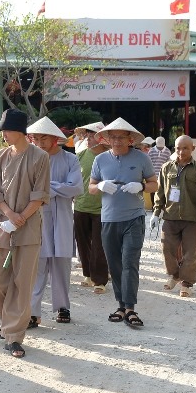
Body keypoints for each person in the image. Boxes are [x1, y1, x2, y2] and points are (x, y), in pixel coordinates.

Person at [0, 109, 50, 358]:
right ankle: (8, 322)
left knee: (22, 283)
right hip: (3, 226)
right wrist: (8, 214)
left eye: (5, 130)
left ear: (18, 131)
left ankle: (14, 335)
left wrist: (21, 217)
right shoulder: (0, 156)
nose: (2, 135)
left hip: (29, 229)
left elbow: (40, 194)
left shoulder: (40, 157)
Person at [90, 118, 159, 329]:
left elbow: (154, 184)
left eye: (122, 137)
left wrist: (139, 185)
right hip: (109, 218)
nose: (117, 141)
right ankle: (121, 305)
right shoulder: (100, 159)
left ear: (130, 139)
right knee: (115, 264)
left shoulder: (141, 158)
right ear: (107, 139)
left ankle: (130, 308)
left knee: (130, 262)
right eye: (113, 137)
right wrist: (101, 185)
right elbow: (91, 187)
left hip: (134, 218)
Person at [28, 117, 83, 326]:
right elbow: (28, 189)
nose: (40, 143)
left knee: (61, 263)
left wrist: (47, 189)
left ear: (54, 139)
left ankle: (63, 307)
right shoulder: (32, 159)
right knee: (37, 264)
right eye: (36, 138)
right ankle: (33, 311)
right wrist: (56, 188)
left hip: (62, 216)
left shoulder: (71, 160)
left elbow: (76, 187)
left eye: (44, 138)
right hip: (38, 215)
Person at [151, 136, 196, 298]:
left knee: (190, 253)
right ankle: (174, 274)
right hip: (170, 217)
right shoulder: (166, 168)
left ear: (192, 149)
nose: (181, 151)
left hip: (192, 219)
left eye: (185, 148)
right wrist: (156, 213)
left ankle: (186, 283)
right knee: (167, 249)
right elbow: (160, 192)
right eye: (178, 148)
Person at [73, 122, 110, 294]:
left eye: (91, 135)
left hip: (103, 208)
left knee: (99, 245)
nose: (87, 138)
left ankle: (100, 280)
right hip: (81, 204)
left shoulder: (110, 156)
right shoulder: (80, 155)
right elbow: (74, 177)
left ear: (101, 137)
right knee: (82, 243)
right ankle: (87, 274)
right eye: (86, 135)